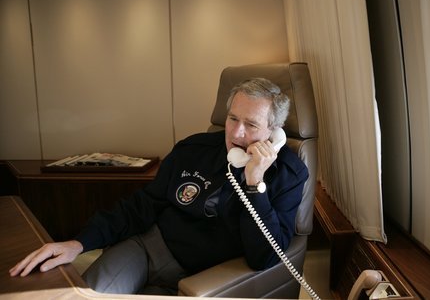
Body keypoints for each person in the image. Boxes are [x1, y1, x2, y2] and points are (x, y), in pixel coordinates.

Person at [10, 78, 309, 295]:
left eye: (251, 125)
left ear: (274, 132)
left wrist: (255, 184)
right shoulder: (193, 149)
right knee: (82, 296)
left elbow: (265, 257)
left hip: (207, 271)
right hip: (149, 247)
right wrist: (79, 243)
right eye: (232, 118)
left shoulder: (289, 175)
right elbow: (142, 206)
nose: (236, 132)